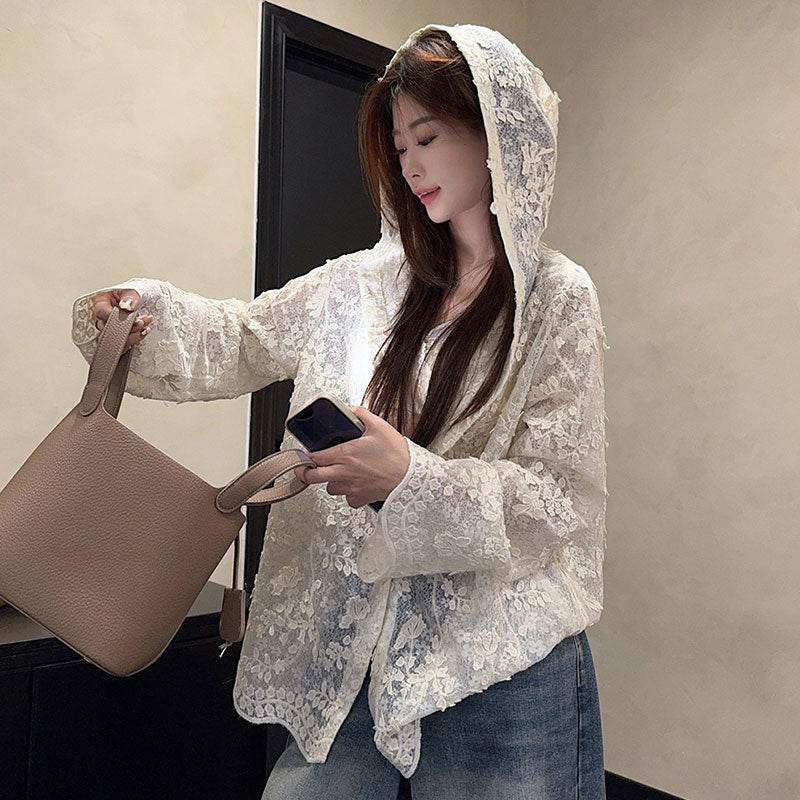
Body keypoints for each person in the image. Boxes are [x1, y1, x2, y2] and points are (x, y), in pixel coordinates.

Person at [71, 22, 609, 800]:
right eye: (399, 146)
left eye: (428, 136)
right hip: (349, 653)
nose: (411, 163)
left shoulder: (557, 298)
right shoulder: (361, 283)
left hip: (496, 664)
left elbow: (561, 498)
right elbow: (242, 337)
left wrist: (410, 479)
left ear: (497, 132)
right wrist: (140, 312)